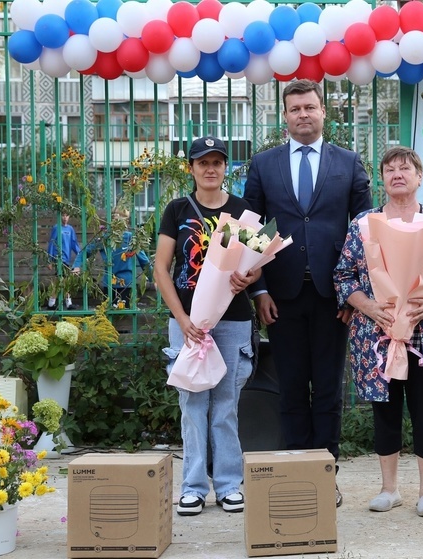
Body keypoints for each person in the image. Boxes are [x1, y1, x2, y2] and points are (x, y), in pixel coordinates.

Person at [243, 79, 371, 507]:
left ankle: (324, 475)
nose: (303, 114)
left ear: (323, 112)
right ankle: (297, 471)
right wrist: (258, 289)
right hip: (281, 296)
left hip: (334, 298)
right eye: (295, 108)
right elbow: (253, 230)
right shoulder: (264, 165)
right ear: (285, 115)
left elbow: (365, 234)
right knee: (293, 388)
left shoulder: (349, 163)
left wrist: (356, 295)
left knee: (330, 391)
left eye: (310, 107)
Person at [333, 147, 423, 517]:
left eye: (405, 168)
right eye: (389, 168)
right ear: (382, 178)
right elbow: (343, 275)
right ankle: (388, 488)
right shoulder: (364, 223)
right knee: (385, 409)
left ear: (419, 176)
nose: (397, 174)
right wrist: (370, 306)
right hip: (378, 333)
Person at [154, 135, 260, 516]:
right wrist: (182, 320)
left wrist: (249, 277)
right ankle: (194, 487)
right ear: (192, 168)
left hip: (232, 320)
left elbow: (255, 261)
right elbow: (161, 270)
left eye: (217, 162)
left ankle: (230, 484)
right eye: (203, 162)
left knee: (227, 404)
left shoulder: (241, 209)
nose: (210, 168)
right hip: (189, 324)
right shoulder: (177, 209)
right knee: (193, 403)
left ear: (225, 168)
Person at [72, 209, 152, 308]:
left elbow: (144, 262)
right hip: (109, 284)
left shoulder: (132, 238)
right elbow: (84, 251)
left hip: (126, 284)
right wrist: (77, 266)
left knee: (124, 314)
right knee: (108, 315)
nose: (116, 217)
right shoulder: (105, 238)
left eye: (120, 215)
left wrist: (154, 279)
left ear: (126, 221)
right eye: (114, 215)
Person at [46, 212, 80, 310]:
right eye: (63, 215)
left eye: (67, 215)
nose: (65, 217)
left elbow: (74, 243)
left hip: (67, 259)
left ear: (69, 217)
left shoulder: (70, 229)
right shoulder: (57, 228)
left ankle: (52, 303)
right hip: (58, 259)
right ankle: (67, 303)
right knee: (63, 280)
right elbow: (52, 243)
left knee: (62, 281)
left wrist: (81, 254)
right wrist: (50, 260)